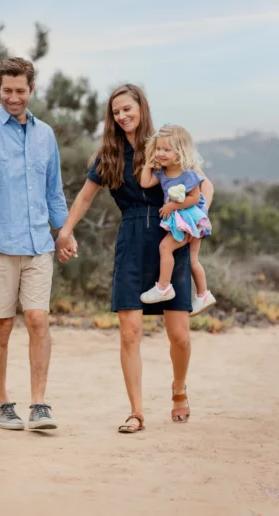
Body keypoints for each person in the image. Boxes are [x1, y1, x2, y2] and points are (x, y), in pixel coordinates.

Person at [56, 84, 214, 431]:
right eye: (116, 112)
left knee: (180, 336)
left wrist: (195, 223)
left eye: (128, 109)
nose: (122, 116)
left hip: (171, 241)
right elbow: (83, 199)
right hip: (131, 241)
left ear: (141, 108)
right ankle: (136, 412)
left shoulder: (163, 144)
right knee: (129, 333)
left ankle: (178, 390)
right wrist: (66, 231)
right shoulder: (107, 156)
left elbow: (205, 187)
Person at [0, 57, 72, 431]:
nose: (14, 98)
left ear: (32, 90)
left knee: (39, 319)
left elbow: (53, 191)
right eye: (7, 90)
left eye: (20, 91)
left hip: (39, 244)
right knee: (3, 326)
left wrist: (64, 232)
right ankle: (0, 403)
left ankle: (40, 405)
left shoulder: (45, 135)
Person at [140, 124, 216, 316]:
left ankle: (164, 287)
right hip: (187, 221)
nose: (161, 153)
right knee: (192, 260)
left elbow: (194, 198)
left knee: (165, 248)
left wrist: (171, 206)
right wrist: (147, 165)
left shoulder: (188, 174)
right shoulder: (163, 173)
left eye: (166, 149)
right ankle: (203, 294)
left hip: (188, 220)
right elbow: (145, 183)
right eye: (158, 149)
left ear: (180, 152)